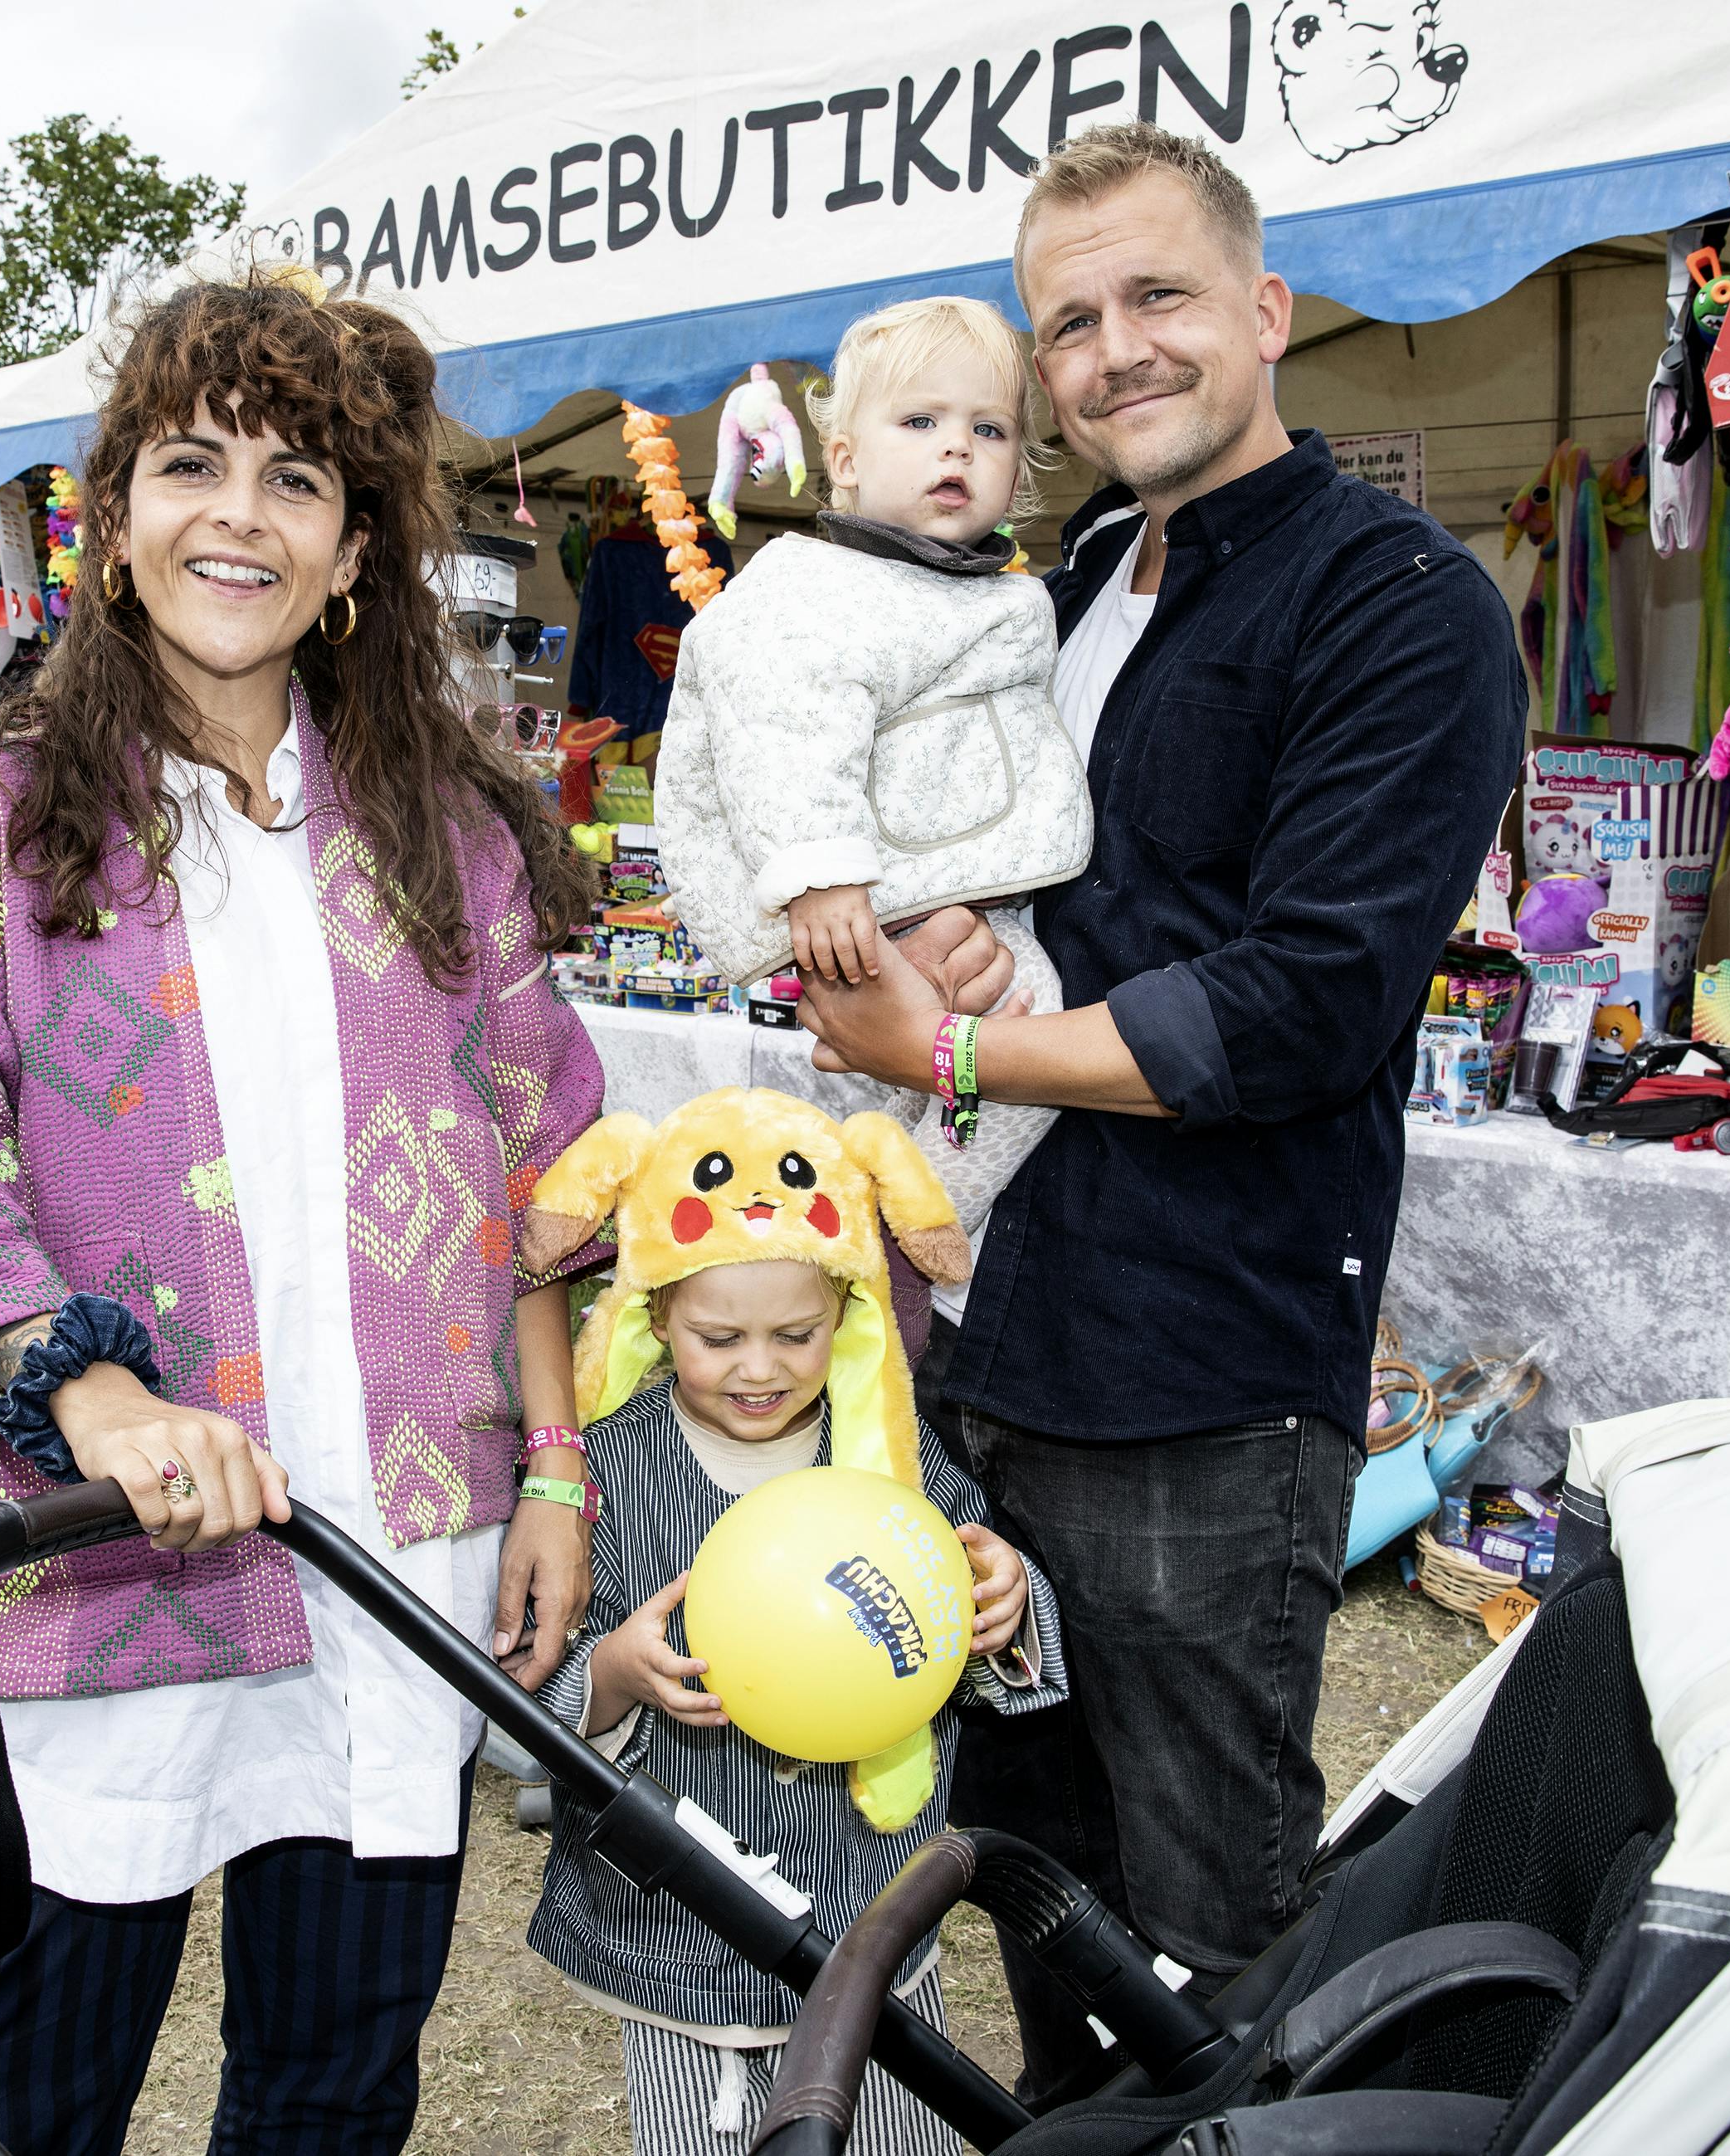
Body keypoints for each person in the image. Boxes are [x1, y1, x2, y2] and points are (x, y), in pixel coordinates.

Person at [0, 269, 612, 2156]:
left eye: (297, 479)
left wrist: (554, 1465)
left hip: (393, 1574)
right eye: (190, 463)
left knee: (327, 2102)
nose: (237, 511)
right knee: (11, 2110)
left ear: (355, 554)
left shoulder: (445, 834)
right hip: (84, 1595)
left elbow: (541, 1167)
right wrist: (91, 1396)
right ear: (115, 515)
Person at [791, 122, 1524, 2089]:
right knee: (1027, 1868)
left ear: (1264, 311)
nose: (1112, 351)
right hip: (987, 1337)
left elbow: (1292, 1006)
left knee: (1207, 1949)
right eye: (1069, 323)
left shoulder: (1398, 606)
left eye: (1155, 298)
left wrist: (934, 1053)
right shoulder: (1071, 576)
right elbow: (1018, 877)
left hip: (1198, 1377)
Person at [515, 1090, 1066, 2156]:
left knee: (902, 2130)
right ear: (656, 1316)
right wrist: (616, 1676)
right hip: (680, 1937)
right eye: (719, 1337)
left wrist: (1005, 1603)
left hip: (872, 1923)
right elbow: (520, 1708)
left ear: (849, 1317)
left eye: (796, 1335)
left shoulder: (893, 1468)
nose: (759, 1368)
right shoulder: (612, 1474)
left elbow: (977, 1618)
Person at [656, 295, 1091, 1247]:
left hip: (953, 903)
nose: (957, 449)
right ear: (845, 462)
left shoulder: (979, 594)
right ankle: (912, 1221)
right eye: (921, 422)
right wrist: (816, 871)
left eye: (989, 428)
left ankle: (872, 1228)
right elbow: (786, 721)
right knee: (1028, 1016)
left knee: (942, 1061)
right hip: (854, 910)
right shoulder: (817, 590)